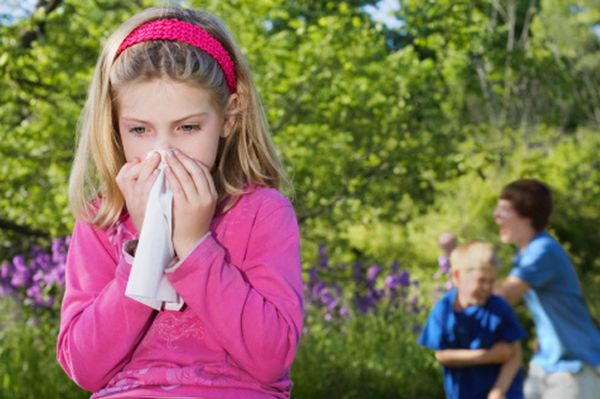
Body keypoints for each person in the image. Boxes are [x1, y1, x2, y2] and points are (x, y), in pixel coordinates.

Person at [56, 6, 303, 399]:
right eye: (140, 130)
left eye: (187, 127)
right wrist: (145, 251)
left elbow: (272, 358)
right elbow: (84, 367)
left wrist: (194, 245)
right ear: (116, 127)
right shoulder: (102, 222)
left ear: (229, 117)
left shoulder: (263, 212)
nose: (163, 152)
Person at [493, 179, 600, 399]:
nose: (496, 216)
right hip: (546, 363)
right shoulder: (525, 251)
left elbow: (505, 296)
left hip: (575, 367)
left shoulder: (542, 250)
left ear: (527, 215)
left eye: (504, 210)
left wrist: (468, 271)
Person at [419, 241, 525, 399]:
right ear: (457, 276)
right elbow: (442, 355)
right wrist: (488, 355)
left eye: (491, 281)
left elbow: (515, 354)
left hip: (503, 393)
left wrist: (499, 391)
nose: (487, 287)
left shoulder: (498, 307)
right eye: (481, 280)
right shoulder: (445, 309)